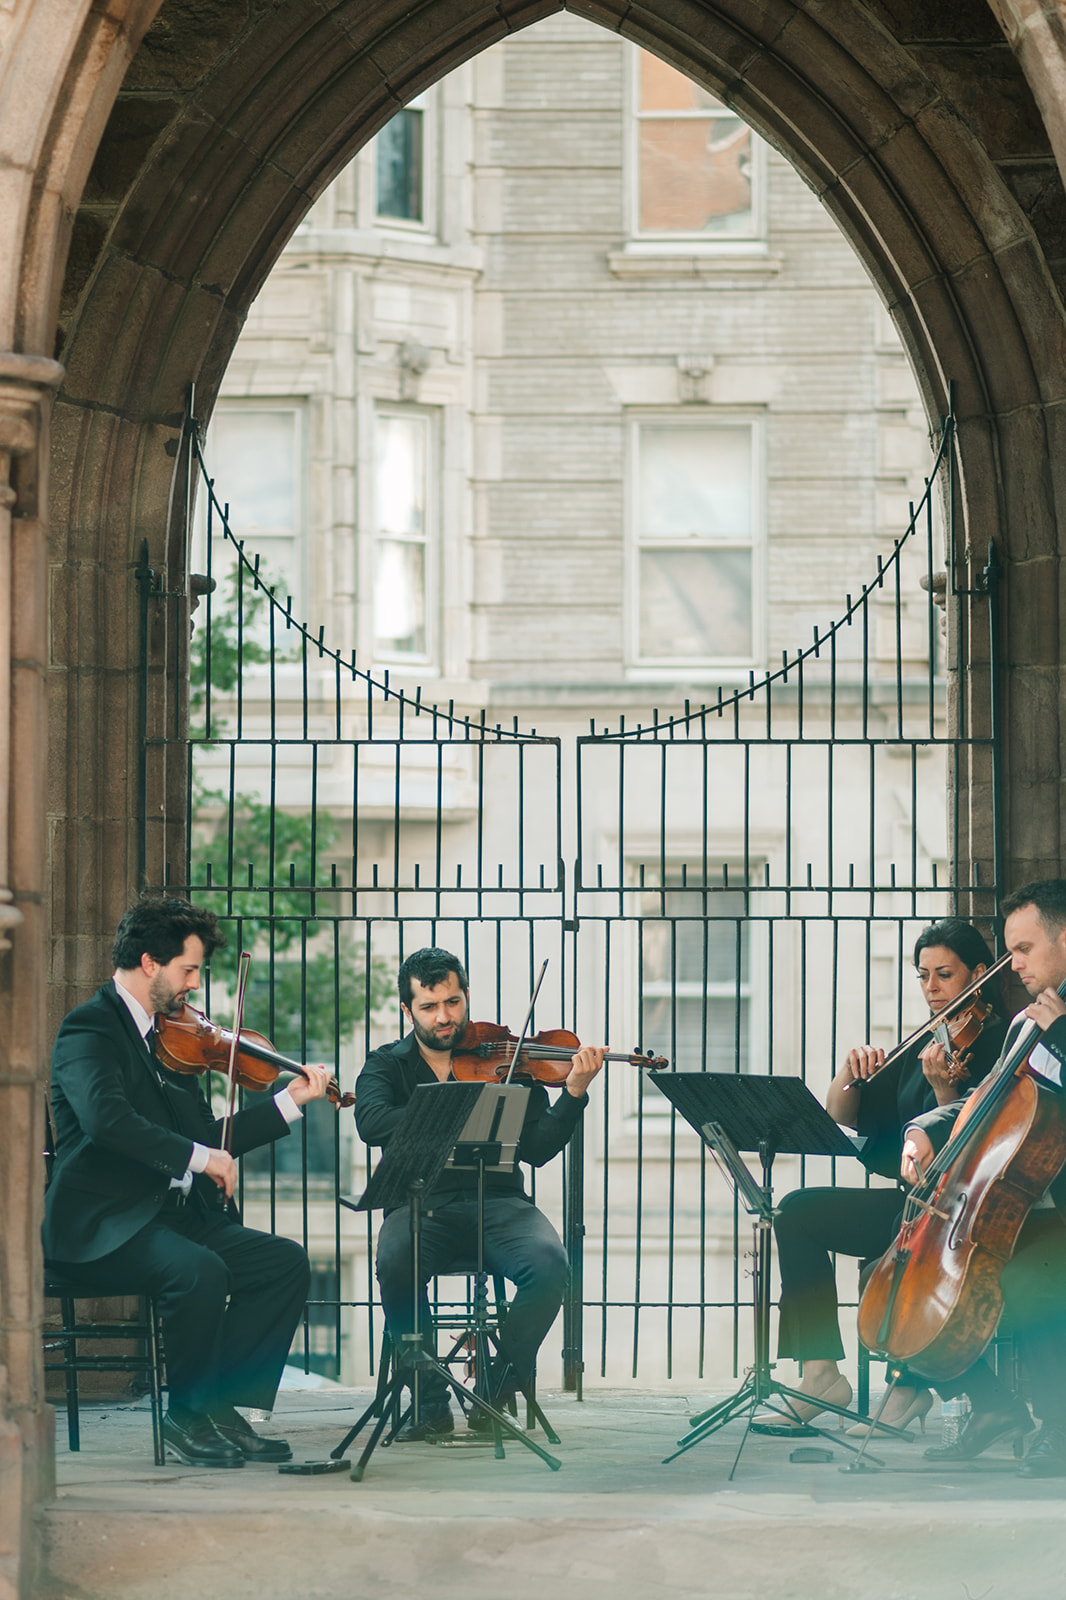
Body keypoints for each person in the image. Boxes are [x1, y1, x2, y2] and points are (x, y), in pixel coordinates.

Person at [43, 896, 334, 1467]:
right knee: (197, 1270)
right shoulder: (89, 1029)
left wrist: (290, 1102)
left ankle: (220, 1406)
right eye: (189, 970)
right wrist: (201, 1159)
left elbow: (211, 1136)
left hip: (171, 1219)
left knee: (282, 1262)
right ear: (150, 962)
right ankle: (185, 1415)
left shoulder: (174, 1043)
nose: (195, 986)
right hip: (105, 1224)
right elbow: (107, 1121)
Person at [755, 919, 1006, 1435]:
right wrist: (851, 1070)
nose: (931, 988)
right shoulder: (929, 1043)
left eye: (944, 974)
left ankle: (907, 1389)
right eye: (923, 976)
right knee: (796, 1211)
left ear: (979, 974)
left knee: (888, 1264)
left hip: (955, 1211)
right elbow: (841, 1114)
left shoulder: (999, 1041)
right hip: (910, 1205)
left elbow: (968, 1150)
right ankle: (820, 1373)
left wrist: (943, 1095)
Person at [355, 946, 603, 1439]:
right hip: (421, 1205)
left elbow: (537, 1148)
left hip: (502, 1203)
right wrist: (450, 1109)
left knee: (551, 1267)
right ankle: (429, 1400)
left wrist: (573, 1095)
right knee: (395, 1262)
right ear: (407, 1010)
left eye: (452, 1002)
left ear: (465, 996)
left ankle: (495, 1387)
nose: (444, 1017)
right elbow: (370, 1121)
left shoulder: (508, 1061)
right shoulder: (388, 1065)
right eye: (428, 1007)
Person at [902, 881, 1066, 1477]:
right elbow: (983, 1100)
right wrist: (921, 1128)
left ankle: (1057, 1426)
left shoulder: (1056, 1020)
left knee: (1028, 1279)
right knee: (922, 1276)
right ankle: (998, 1408)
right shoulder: (1030, 1021)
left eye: (1022, 948)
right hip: (1034, 1207)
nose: (1012, 964)